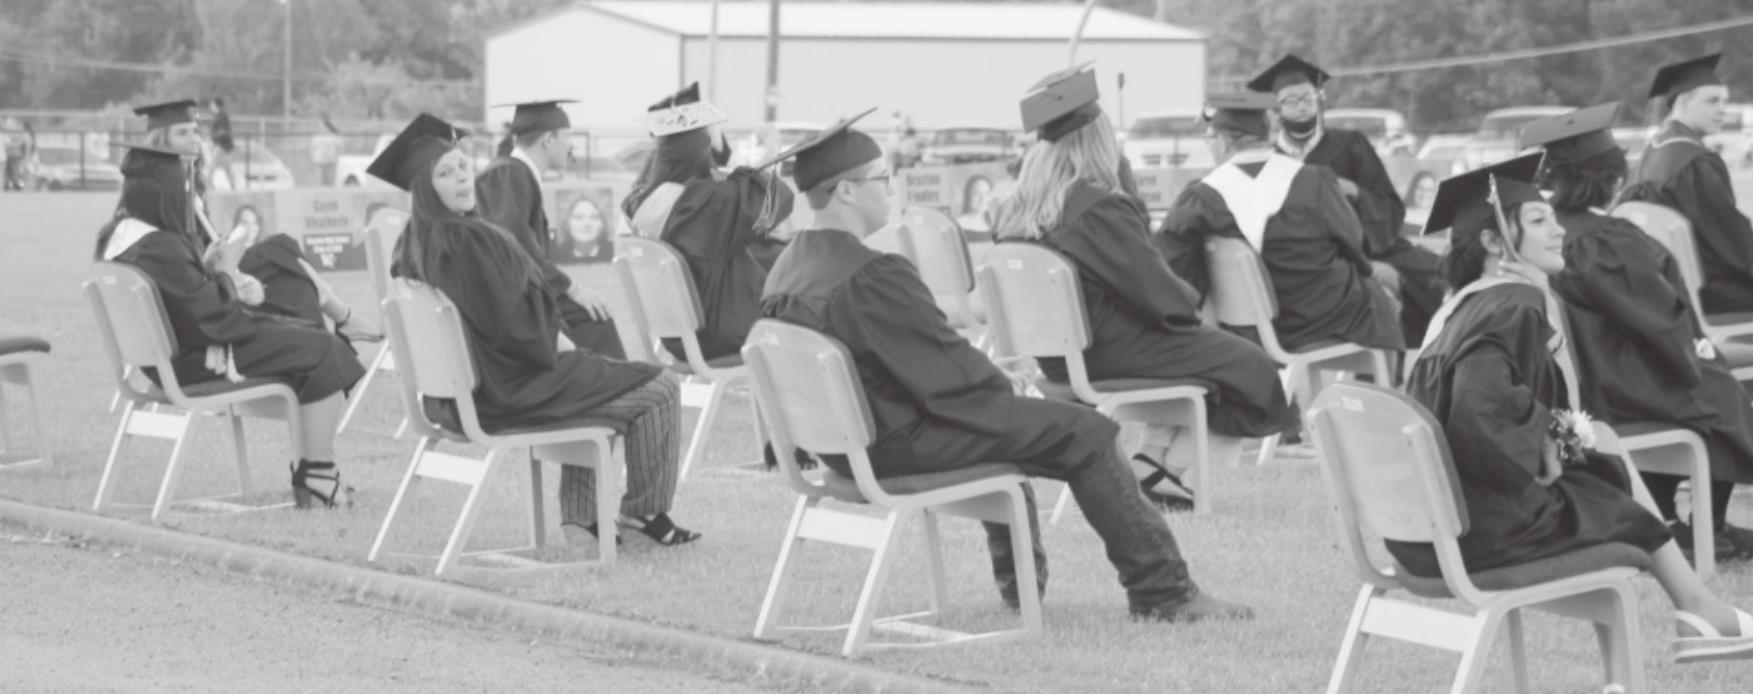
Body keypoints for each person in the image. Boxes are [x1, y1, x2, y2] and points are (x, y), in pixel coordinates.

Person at [761, 110, 1251, 623]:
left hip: (842, 446)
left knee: (1024, 430)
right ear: (845, 192)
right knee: (1089, 432)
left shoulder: (787, 268)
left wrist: (993, 385)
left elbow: (914, 361)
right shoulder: (872, 273)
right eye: (882, 180)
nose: (889, 190)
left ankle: (1023, 594)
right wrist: (1001, 384)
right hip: (895, 443)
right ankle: (1165, 592)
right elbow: (943, 375)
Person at [1400, 155, 1753, 663]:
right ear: (1494, 242)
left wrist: (1545, 429)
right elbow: (1479, 410)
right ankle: (1698, 613)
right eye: (1539, 221)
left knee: (1607, 469)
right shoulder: (1514, 303)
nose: (1559, 229)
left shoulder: (1461, 306)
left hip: (1431, 528)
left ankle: (1699, 610)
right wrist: (1542, 437)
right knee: (1620, 507)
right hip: (1486, 532)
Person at [375, 114, 698, 548]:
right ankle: (643, 512)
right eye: (445, 173)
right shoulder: (470, 239)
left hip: (456, 396)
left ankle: (583, 520)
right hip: (506, 390)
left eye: (462, 167)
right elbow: (515, 328)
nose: (461, 179)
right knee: (658, 387)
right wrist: (557, 338)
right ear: (424, 188)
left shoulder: (414, 242)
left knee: (599, 384)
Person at [993, 65, 1297, 510]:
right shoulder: (1099, 208)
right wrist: (1191, 304)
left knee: (1215, 361)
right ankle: (1167, 468)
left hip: (1061, 357)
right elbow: (1162, 301)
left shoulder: (1019, 208)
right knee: (1251, 367)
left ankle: (1153, 465)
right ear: (1099, 141)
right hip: (1109, 350)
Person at [1522, 103, 1753, 561]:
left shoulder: (1543, 232)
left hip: (1584, 382)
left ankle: (1668, 516)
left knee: (1708, 374)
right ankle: (1702, 527)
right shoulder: (1607, 239)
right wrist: (1696, 353)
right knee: (1717, 388)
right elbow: (1659, 317)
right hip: (1622, 385)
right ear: (1608, 177)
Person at [95, 142, 365, 509]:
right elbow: (211, 318)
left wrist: (205, 270)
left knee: (301, 327)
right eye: (185, 188)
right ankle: (318, 475)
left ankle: (314, 471)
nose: (190, 197)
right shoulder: (157, 245)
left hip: (169, 359)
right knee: (323, 348)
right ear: (163, 194)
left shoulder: (120, 236)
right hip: (199, 360)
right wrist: (223, 275)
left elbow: (187, 302)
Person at [1156, 93, 1403, 354]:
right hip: (1322, 317)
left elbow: (1170, 262)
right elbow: (1351, 239)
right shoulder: (1312, 180)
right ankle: (1377, 388)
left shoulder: (1202, 197)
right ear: (1266, 136)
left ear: (1224, 142)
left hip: (1246, 329)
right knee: (1380, 296)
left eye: (1209, 138)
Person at [1250, 55, 1443, 345]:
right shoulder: (1269, 161)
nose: (1302, 106)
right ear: (1276, 112)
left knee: (1440, 273)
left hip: (1371, 246)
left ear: (1319, 101)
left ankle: (1437, 352)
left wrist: (1354, 191)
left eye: (1308, 98)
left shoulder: (1350, 145)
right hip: (1314, 262)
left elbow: (1389, 206)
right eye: (1291, 101)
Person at [622, 83, 795, 362]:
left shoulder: (641, 202)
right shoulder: (705, 203)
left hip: (677, 335)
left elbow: (753, 217)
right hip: (721, 333)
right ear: (702, 154)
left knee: (771, 255)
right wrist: (773, 148)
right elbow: (775, 200)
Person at [475, 100, 627, 360]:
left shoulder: (516, 174)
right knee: (593, 316)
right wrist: (572, 288)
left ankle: (612, 388)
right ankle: (616, 393)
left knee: (591, 315)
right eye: (567, 137)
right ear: (548, 140)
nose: (571, 147)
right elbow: (515, 243)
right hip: (509, 309)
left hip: (519, 298)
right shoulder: (508, 174)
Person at [1620, 53, 1753, 315]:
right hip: (1709, 290)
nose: (1722, 110)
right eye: (1712, 101)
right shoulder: (1695, 161)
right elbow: (1729, 238)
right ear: (1683, 102)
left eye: (1725, 101)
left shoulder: (1652, 152)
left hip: (1668, 285)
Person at [555, 193, 613, 264]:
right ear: (567, 224)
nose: (586, 224)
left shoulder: (615, 253)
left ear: (602, 224)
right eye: (578, 217)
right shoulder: (557, 256)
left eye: (593, 217)